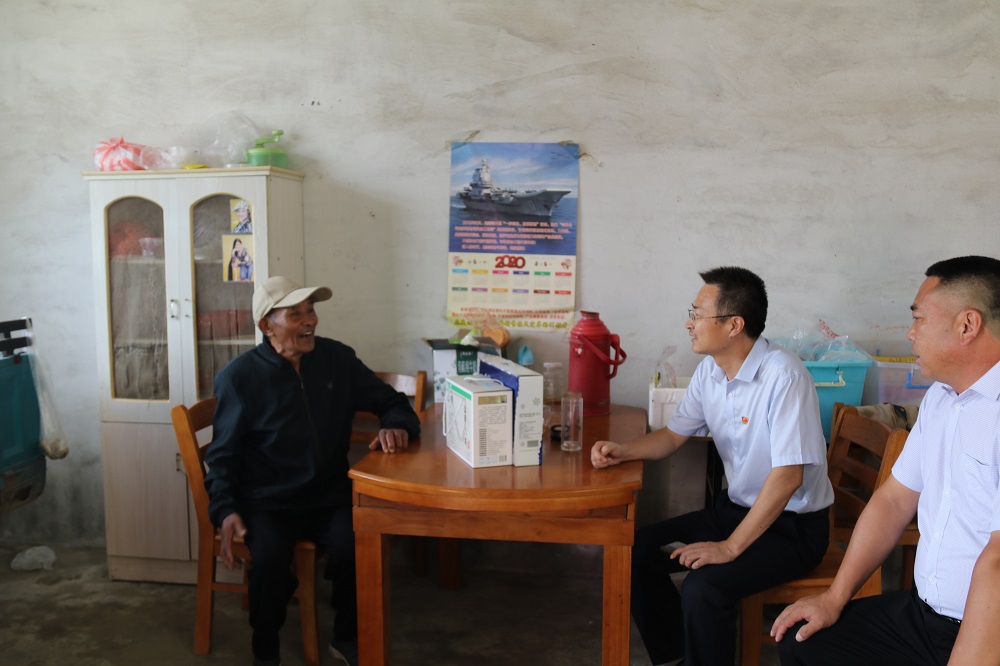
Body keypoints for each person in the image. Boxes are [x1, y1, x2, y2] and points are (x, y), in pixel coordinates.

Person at [591, 266, 833, 665]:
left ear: (734, 325)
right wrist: (624, 450)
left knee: (704, 587)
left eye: (697, 314)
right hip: (734, 512)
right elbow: (673, 436)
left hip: (791, 530)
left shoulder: (785, 376)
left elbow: (789, 476)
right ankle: (677, 657)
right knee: (634, 551)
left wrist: (729, 547)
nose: (689, 324)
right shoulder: (710, 372)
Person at [772, 255, 1000, 666]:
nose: (911, 333)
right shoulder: (941, 398)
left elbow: (997, 562)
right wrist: (835, 597)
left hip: (988, 632)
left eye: (919, 319)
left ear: (967, 325)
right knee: (803, 642)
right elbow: (894, 500)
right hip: (926, 617)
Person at [204, 276, 421, 666]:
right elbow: (222, 457)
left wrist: (396, 425)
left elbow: (391, 401)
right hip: (268, 502)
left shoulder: (337, 359)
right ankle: (265, 651)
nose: (310, 321)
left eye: (311, 311)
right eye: (296, 314)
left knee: (357, 547)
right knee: (269, 561)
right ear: (267, 325)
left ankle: (347, 638)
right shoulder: (240, 378)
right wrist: (225, 509)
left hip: (329, 495)